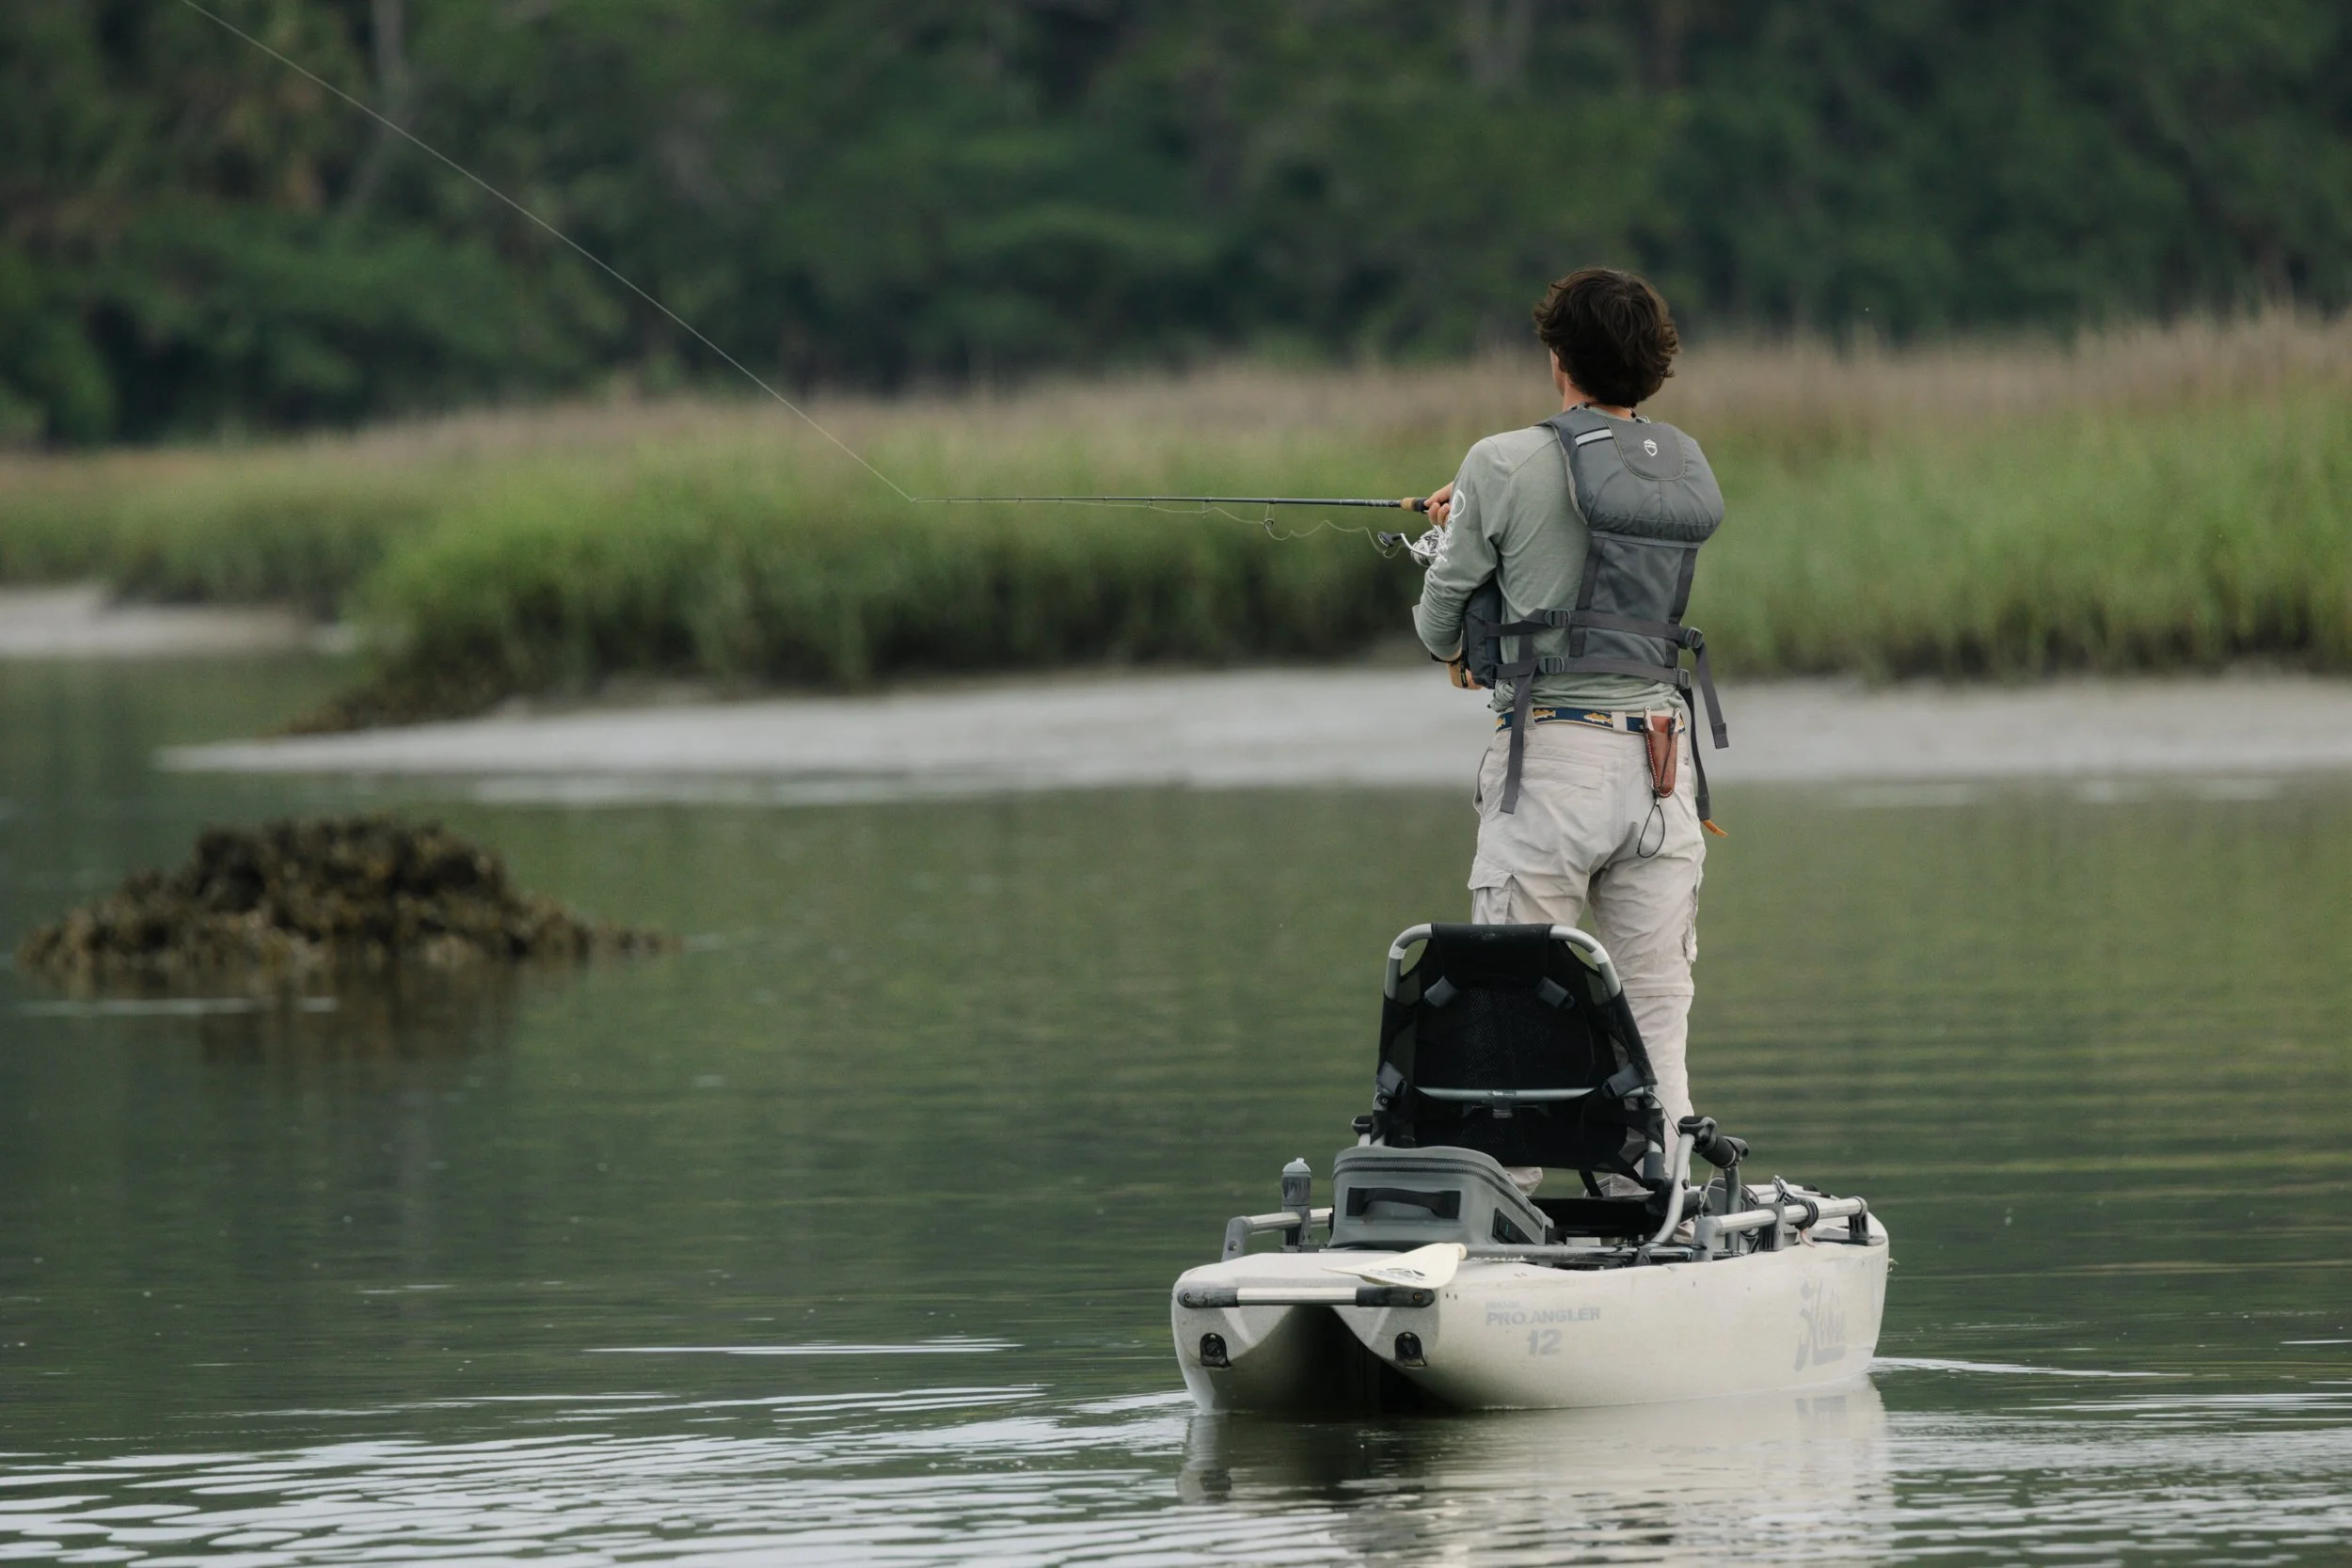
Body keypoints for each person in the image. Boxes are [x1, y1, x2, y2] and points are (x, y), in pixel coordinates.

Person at [1411, 266, 1724, 1145]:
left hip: (1551, 768)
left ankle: (1505, 1217)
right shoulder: (1680, 466)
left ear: (1558, 359)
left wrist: (1453, 532)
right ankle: (1662, 1205)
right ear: (1654, 365)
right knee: (1657, 1017)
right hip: (1664, 773)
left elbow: (1441, 625)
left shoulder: (1497, 461)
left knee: (1511, 1018)